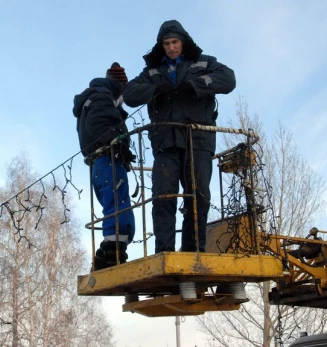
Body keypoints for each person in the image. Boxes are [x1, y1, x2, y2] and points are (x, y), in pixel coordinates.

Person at [123, 20, 236, 253]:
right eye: (166, 43)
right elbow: (130, 94)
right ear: (161, 46)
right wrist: (155, 89)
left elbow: (229, 79)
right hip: (166, 143)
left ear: (183, 42)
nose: (171, 47)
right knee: (164, 197)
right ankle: (164, 251)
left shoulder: (205, 62)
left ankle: (193, 251)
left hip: (199, 140)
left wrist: (195, 85)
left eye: (175, 42)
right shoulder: (153, 72)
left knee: (199, 195)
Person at [73, 62, 136, 270]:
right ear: (120, 87)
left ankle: (104, 255)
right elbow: (98, 123)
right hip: (108, 157)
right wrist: (117, 143)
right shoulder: (103, 96)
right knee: (118, 203)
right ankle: (113, 252)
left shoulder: (92, 97)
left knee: (111, 204)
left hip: (97, 161)